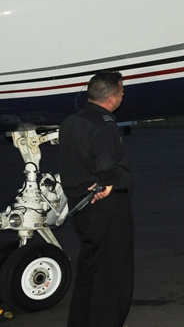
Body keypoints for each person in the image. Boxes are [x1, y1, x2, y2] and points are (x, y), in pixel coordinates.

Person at [59, 71, 133, 327]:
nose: (123, 96)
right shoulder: (104, 124)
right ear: (112, 98)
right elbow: (107, 165)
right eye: (122, 92)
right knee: (113, 274)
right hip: (105, 206)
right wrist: (110, 182)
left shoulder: (70, 122)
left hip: (80, 206)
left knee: (89, 270)